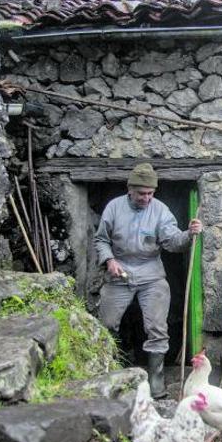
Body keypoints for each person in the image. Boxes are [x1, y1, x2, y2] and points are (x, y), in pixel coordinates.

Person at [94, 163, 202, 398]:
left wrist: (188, 235)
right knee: (106, 325)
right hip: (119, 271)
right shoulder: (114, 208)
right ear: (130, 189)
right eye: (141, 193)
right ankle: (108, 372)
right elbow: (101, 240)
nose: (146, 198)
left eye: (150, 193)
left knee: (156, 328)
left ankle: (156, 381)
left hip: (151, 273)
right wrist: (109, 260)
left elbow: (173, 242)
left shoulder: (160, 210)